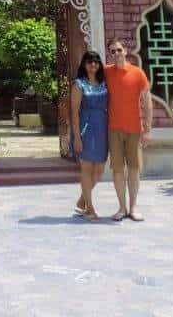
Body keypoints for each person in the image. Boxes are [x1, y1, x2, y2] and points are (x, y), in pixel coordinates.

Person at [105, 38, 153, 222]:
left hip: (134, 129)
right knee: (117, 170)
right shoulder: (106, 72)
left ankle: (133, 207)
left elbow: (147, 103)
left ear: (125, 51)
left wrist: (147, 129)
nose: (116, 54)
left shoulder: (138, 73)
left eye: (119, 50)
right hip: (113, 129)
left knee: (133, 169)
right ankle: (121, 207)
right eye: (112, 51)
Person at [70, 50, 108, 221]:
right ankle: (90, 208)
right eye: (89, 62)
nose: (93, 65)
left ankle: (82, 199)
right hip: (86, 127)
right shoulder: (79, 84)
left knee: (99, 169)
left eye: (96, 62)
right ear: (84, 65)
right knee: (86, 169)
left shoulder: (104, 83)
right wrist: (77, 137)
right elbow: (74, 112)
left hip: (102, 127)